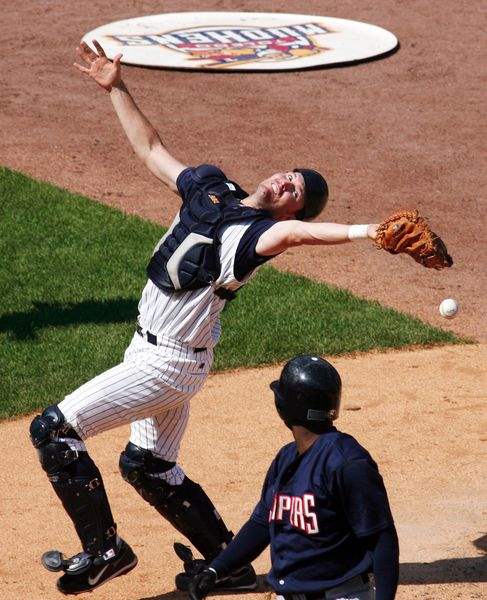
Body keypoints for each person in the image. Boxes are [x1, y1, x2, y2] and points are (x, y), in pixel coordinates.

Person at [29, 39, 380, 596]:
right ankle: (228, 561)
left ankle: (105, 551)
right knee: (146, 465)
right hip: (156, 355)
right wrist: (116, 87)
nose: (287, 182)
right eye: (290, 173)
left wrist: (368, 231)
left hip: (168, 363)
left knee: (54, 432)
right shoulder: (212, 189)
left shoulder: (262, 237)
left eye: (297, 192)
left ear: (293, 210)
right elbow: (152, 150)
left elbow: (303, 234)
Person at [189, 355, 399, 600]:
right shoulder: (286, 458)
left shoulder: (347, 463)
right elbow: (261, 524)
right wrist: (216, 569)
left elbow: (382, 538)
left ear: (285, 406)